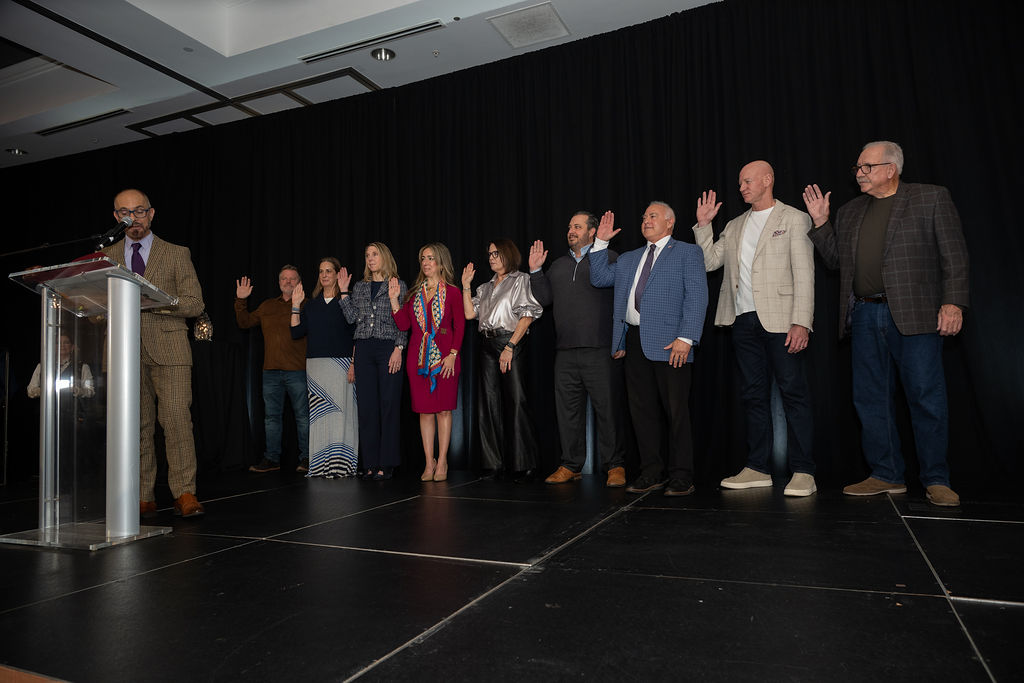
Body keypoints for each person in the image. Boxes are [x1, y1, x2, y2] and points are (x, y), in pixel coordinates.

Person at [802, 141, 969, 507]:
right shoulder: (849, 211)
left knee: (925, 397)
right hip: (864, 315)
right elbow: (836, 262)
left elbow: (954, 255)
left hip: (916, 314)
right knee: (870, 398)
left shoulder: (930, 198)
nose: (859, 174)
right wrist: (821, 222)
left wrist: (953, 302)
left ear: (891, 169)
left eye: (867, 167)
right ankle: (886, 473)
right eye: (858, 168)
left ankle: (936, 479)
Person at [693, 161, 817, 497]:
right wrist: (703, 226)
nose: (742, 188)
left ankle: (804, 471)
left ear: (767, 180)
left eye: (747, 181)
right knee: (752, 395)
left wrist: (801, 321)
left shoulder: (794, 218)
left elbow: (804, 272)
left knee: (793, 394)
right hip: (742, 320)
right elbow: (709, 262)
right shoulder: (734, 225)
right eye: (740, 183)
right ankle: (757, 468)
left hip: (782, 320)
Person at [590, 202, 708, 496]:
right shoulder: (629, 258)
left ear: (670, 222)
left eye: (653, 216)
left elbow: (697, 296)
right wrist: (600, 242)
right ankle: (651, 472)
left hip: (672, 344)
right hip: (634, 342)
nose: (646, 220)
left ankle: (682, 475)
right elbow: (599, 277)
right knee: (641, 412)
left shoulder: (688, 252)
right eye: (643, 217)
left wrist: (686, 337)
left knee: (676, 412)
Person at [101, 188, 206, 517]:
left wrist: (155, 301)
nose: (133, 218)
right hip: (123, 351)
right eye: (125, 213)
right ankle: (142, 494)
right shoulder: (105, 256)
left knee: (176, 421)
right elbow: (96, 308)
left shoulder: (176, 253)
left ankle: (184, 492)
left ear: (151, 213)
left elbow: (195, 304)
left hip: (170, 349)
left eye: (139, 211)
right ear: (116, 217)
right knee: (135, 426)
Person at [528, 212, 627, 488]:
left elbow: (624, 301)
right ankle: (571, 465)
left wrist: (621, 340)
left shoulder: (610, 259)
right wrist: (535, 271)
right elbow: (544, 299)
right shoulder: (558, 265)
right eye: (570, 226)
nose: (571, 230)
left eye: (578, 226)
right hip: (565, 352)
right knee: (567, 412)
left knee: (608, 410)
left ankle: (615, 465)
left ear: (592, 232)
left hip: (600, 349)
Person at [462, 239, 543, 482]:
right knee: (488, 403)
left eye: (496, 253)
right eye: (490, 254)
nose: (491, 257)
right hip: (486, 344)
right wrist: (466, 286)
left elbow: (527, 316)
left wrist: (510, 346)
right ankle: (493, 464)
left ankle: (523, 464)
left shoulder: (520, 280)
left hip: (510, 341)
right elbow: (470, 314)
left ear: (508, 254)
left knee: (517, 400)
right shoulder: (485, 287)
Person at [390, 243, 465, 482]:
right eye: (423, 258)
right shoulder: (414, 294)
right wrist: (394, 301)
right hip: (417, 359)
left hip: (446, 358)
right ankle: (428, 461)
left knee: (443, 410)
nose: (426, 262)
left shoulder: (452, 292)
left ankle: (442, 461)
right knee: (424, 412)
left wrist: (453, 354)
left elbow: (459, 325)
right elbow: (403, 325)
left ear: (441, 262)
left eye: (431, 258)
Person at [340, 242, 407, 480]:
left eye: (375, 254)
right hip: (364, 349)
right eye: (367, 255)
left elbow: (403, 320)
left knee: (389, 404)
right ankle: (369, 463)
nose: (370, 258)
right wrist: (344, 292)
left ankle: (386, 463)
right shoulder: (360, 287)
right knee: (367, 407)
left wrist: (399, 348)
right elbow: (352, 319)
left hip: (388, 347)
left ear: (384, 257)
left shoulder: (397, 284)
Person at [235, 266, 310, 473]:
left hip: (298, 371)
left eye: (292, 279)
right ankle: (272, 459)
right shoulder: (267, 306)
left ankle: (307, 458)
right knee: (271, 418)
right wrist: (241, 300)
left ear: (299, 282)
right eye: (284, 279)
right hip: (270, 372)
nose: (288, 282)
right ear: (278, 283)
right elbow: (244, 322)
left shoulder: (307, 305)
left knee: (303, 417)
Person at [290, 258, 359, 478]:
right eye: (321, 271)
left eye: (329, 271)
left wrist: (353, 363)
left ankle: (342, 464)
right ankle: (320, 465)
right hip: (316, 366)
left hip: (341, 364)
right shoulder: (312, 305)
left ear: (338, 274)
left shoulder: (347, 301)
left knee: (341, 415)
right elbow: (296, 332)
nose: (324, 275)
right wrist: (295, 305)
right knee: (320, 416)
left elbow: (356, 334)